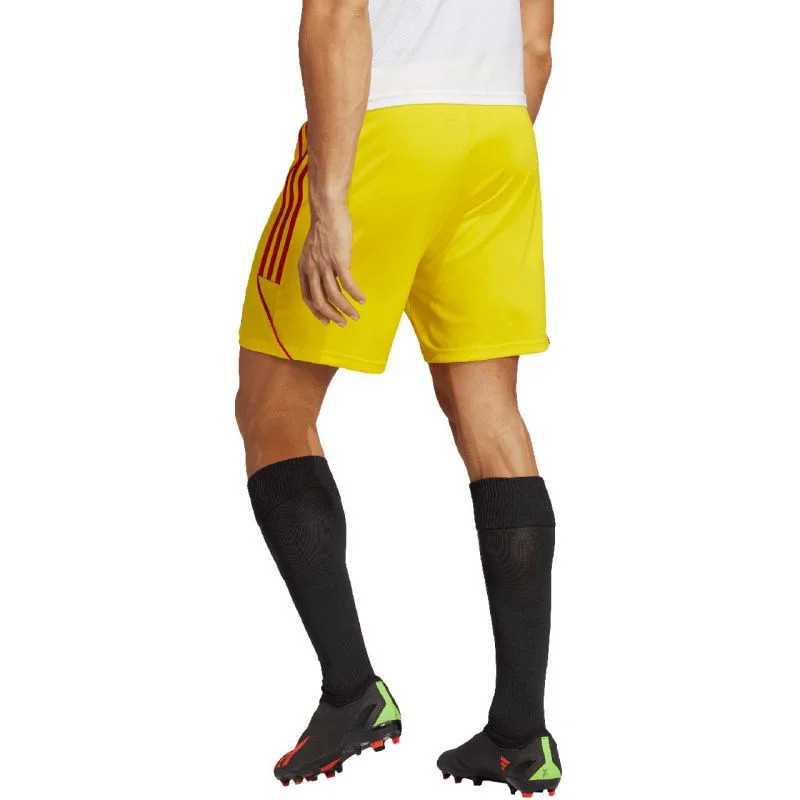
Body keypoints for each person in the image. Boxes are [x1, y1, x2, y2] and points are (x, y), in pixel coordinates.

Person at [235, 0, 561, 793]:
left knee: (274, 414)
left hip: (383, 126)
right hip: (497, 136)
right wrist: (472, 151)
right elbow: (535, 43)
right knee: (493, 418)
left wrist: (332, 198)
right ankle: (521, 734)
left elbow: (337, 13)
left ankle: (353, 693)